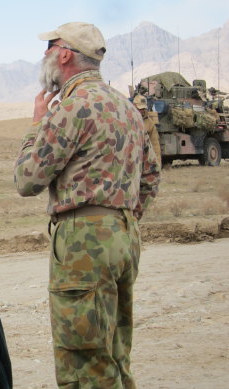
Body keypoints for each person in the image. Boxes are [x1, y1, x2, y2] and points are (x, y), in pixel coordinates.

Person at [14, 22, 160, 388]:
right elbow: (152, 176)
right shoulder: (127, 108)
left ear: (64, 54)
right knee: (114, 350)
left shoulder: (71, 108)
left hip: (83, 242)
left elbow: (27, 180)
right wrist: (118, 216)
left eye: (48, 47)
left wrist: (36, 125)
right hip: (124, 236)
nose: (44, 55)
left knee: (83, 359)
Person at [133, 94, 162, 164]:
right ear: (133, 106)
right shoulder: (127, 119)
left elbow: (155, 145)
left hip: (143, 159)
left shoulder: (149, 123)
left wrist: (157, 163)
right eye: (139, 109)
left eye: (143, 109)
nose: (142, 111)